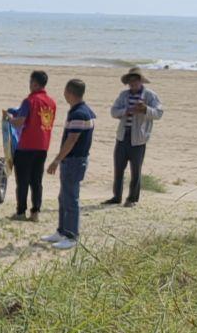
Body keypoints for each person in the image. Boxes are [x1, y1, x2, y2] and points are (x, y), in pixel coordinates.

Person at [43, 77, 96, 249]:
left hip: (74, 160)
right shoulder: (83, 110)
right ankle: (62, 231)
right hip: (73, 160)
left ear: (69, 92)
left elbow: (72, 140)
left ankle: (71, 235)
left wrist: (57, 160)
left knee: (71, 198)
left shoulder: (79, 113)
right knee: (63, 197)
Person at [105, 68, 163, 205]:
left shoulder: (150, 95)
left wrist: (145, 109)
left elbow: (159, 113)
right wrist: (127, 110)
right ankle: (116, 197)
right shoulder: (123, 95)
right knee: (118, 169)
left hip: (139, 138)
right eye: (130, 80)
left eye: (135, 80)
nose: (132, 83)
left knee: (135, 171)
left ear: (140, 80)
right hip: (122, 136)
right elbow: (113, 112)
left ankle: (132, 199)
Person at [4, 70, 56, 221]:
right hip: (43, 145)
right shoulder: (51, 102)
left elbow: (20, 121)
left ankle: (21, 212)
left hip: (26, 146)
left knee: (23, 181)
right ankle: (36, 212)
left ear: (34, 83)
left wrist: (9, 119)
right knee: (37, 181)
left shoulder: (30, 100)